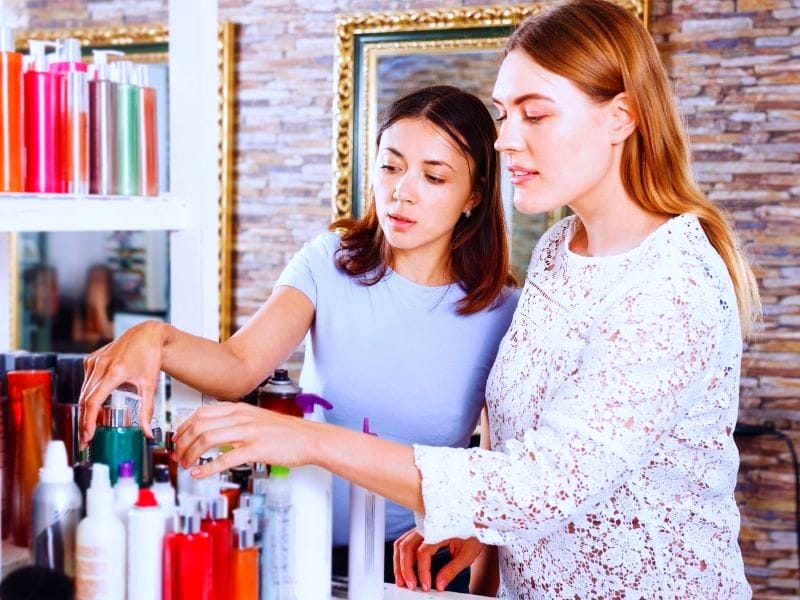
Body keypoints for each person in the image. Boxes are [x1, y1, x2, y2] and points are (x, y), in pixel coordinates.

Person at [161, 0, 762, 597]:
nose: (506, 142)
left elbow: (542, 484)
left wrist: (309, 439)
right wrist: (478, 527)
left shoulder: (672, 287)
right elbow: (533, 447)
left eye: (536, 115)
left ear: (621, 117)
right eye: (505, 115)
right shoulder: (559, 248)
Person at [78, 86, 519, 592]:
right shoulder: (329, 263)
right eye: (391, 166)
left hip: (417, 567)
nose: (402, 191)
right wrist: (154, 337)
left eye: (434, 176)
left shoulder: (503, 313)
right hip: (296, 540)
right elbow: (238, 366)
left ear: (475, 196)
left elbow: (499, 479)